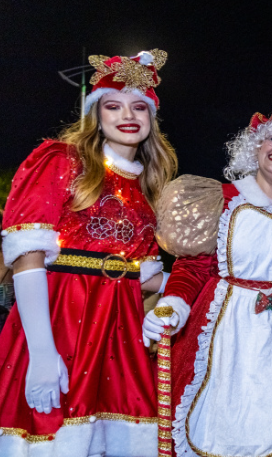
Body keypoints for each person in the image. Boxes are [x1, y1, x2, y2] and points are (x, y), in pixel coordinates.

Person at [0, 50, 175, 456]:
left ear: (151, 119)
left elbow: (142, 275)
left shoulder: (146, 190)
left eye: (139, 107)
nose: (127, 115)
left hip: (120, 331)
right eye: (113, 106)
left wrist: (211, 285)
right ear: (96, 115)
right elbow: (27, 255)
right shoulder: (62, 160)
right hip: (61, 320)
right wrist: (42, 351)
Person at [142, 105, 272, 456]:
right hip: (220, 325)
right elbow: (193, 268)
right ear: (256, 146)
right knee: (212, 421)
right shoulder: (222, 199)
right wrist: (173, 302)